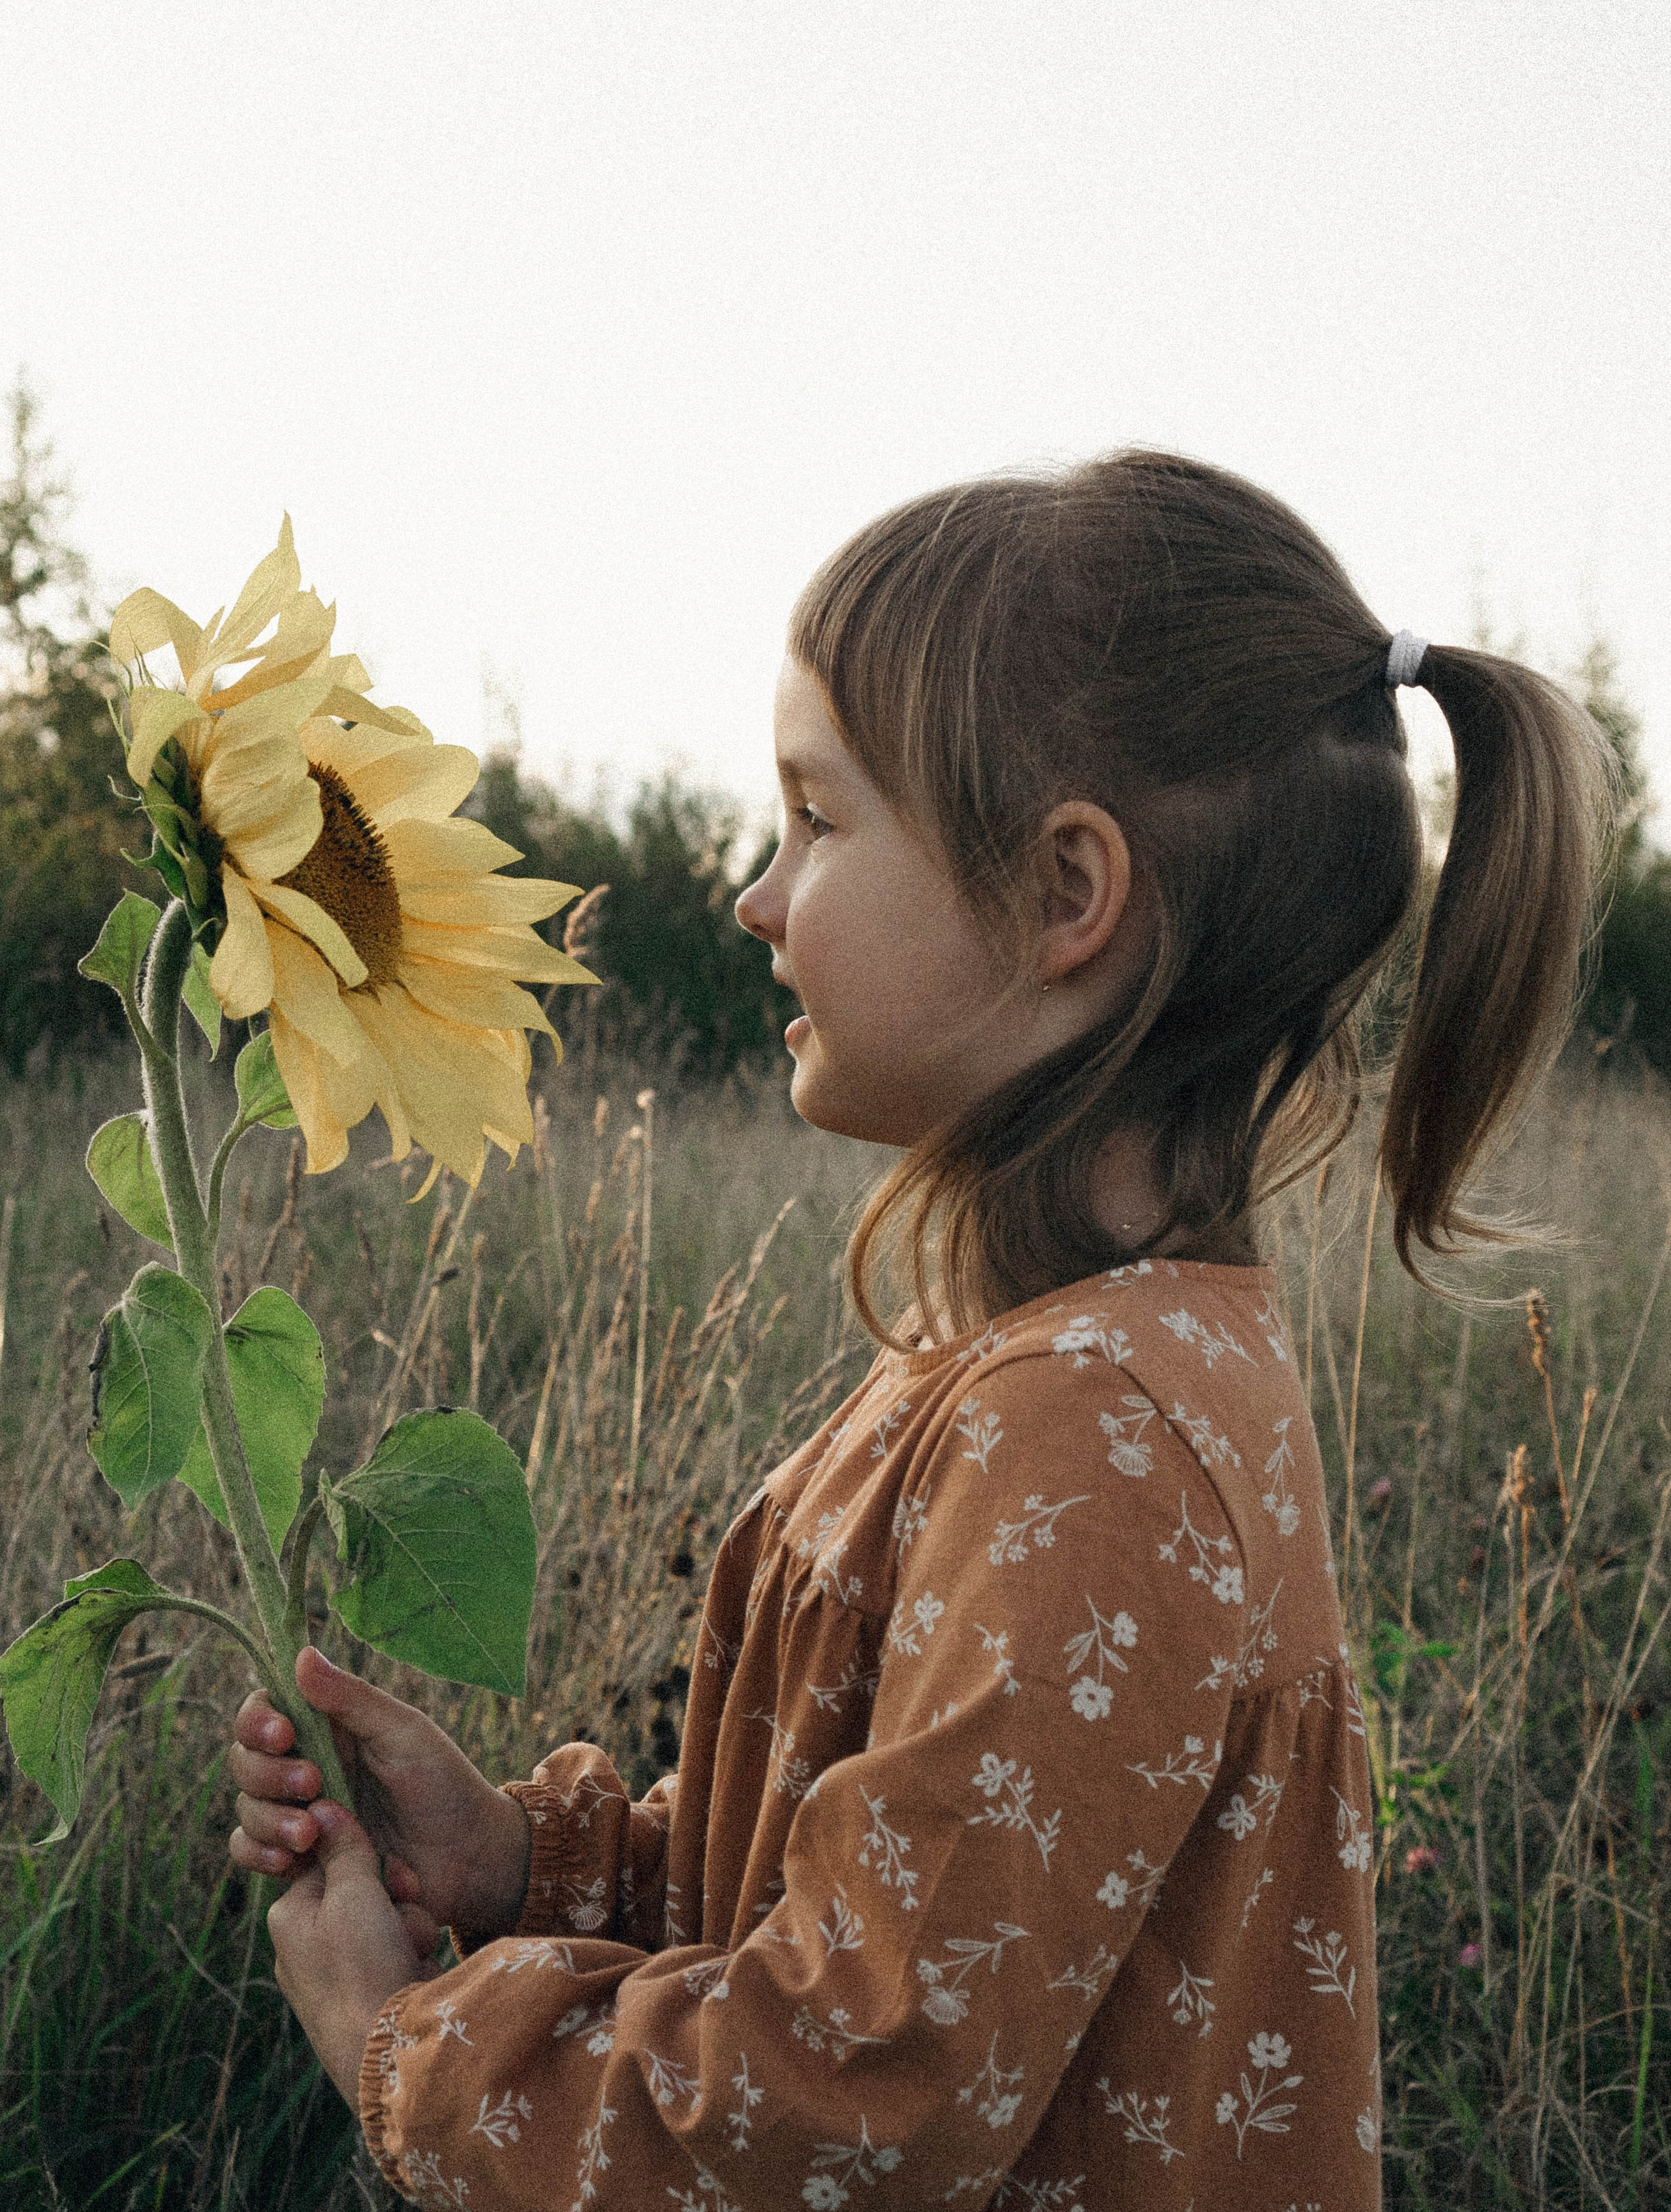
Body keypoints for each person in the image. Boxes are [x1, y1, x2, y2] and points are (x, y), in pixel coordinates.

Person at [225, 450, 1614, 2209]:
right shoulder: (1037, 1372)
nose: (755, 894)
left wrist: (400, 2045)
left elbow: (852, 2086)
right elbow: (871, 1894)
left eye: (815, 820)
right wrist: (523, 1861)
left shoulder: (1098, 1436)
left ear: (1062, 897)